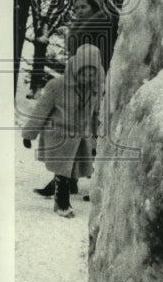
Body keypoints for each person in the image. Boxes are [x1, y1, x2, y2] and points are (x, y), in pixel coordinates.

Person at [33, 0, 113, 200]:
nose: (78, 11)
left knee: (92, 138)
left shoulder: (100, 27)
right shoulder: (80, 27)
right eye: (76, 7)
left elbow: (102, 61)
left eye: (83, 7)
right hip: (79, 88)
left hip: (95, 89)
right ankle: (68, 181)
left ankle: (92, 184)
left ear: (95, 7)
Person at [22, 43, 104, 218]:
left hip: (80, 134)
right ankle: (62, 203)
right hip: (58, 133)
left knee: (73, 164)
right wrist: (29, 133)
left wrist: (97, 134)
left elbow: (95, 114)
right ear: (76, 67)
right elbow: (41, 110)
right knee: (63, 167)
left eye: (92, 72)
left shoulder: (94, 90)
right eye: (84, 71)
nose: (87, 76)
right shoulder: (57, 86)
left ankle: (62, 186)